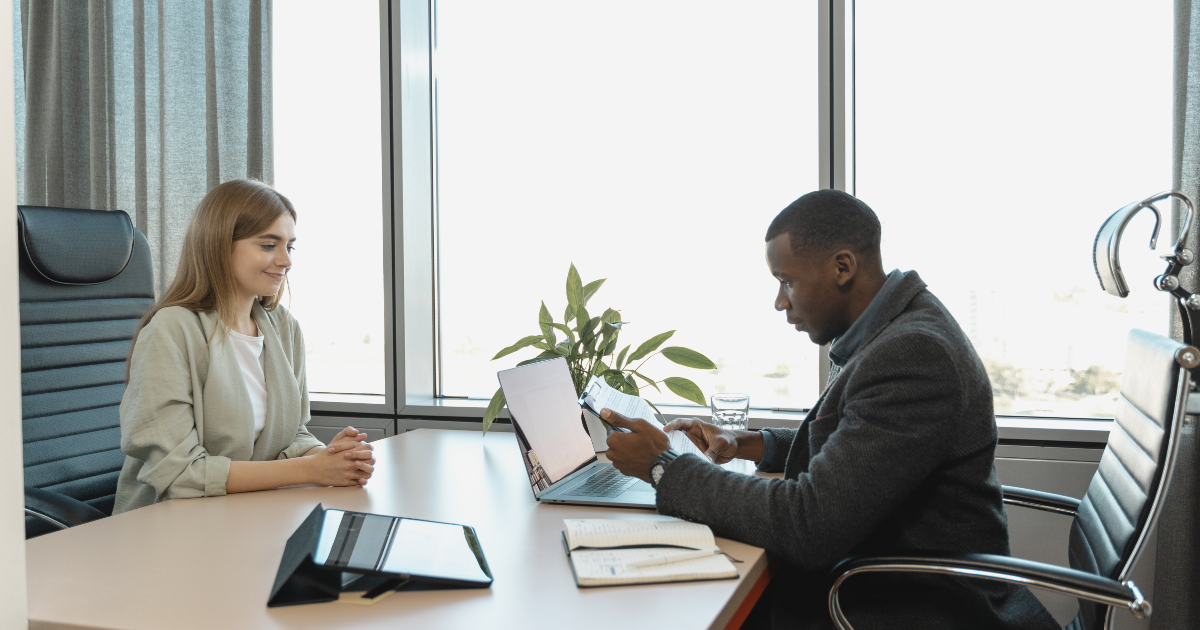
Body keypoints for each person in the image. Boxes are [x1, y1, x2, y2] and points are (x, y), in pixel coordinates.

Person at [602, 190, 1057, 629]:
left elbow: (808, 525)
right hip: (886, 586)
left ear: (842, 267)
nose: (781, 302)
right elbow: (857, 443)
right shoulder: (895, 329)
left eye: (787, 282)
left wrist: (665, 468)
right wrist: (751, 443)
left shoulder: (914, 354)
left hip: (915, 609)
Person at [114, 179, 374, 514]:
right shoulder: (171, 330)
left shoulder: (283, 328)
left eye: (290, 247)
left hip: (247, 517)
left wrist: (331, 458)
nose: (285, 261)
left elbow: (293, 436)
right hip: (170, 527)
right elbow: (179, 474)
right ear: (220, 245)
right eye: (268, 246)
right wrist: (311, 470)